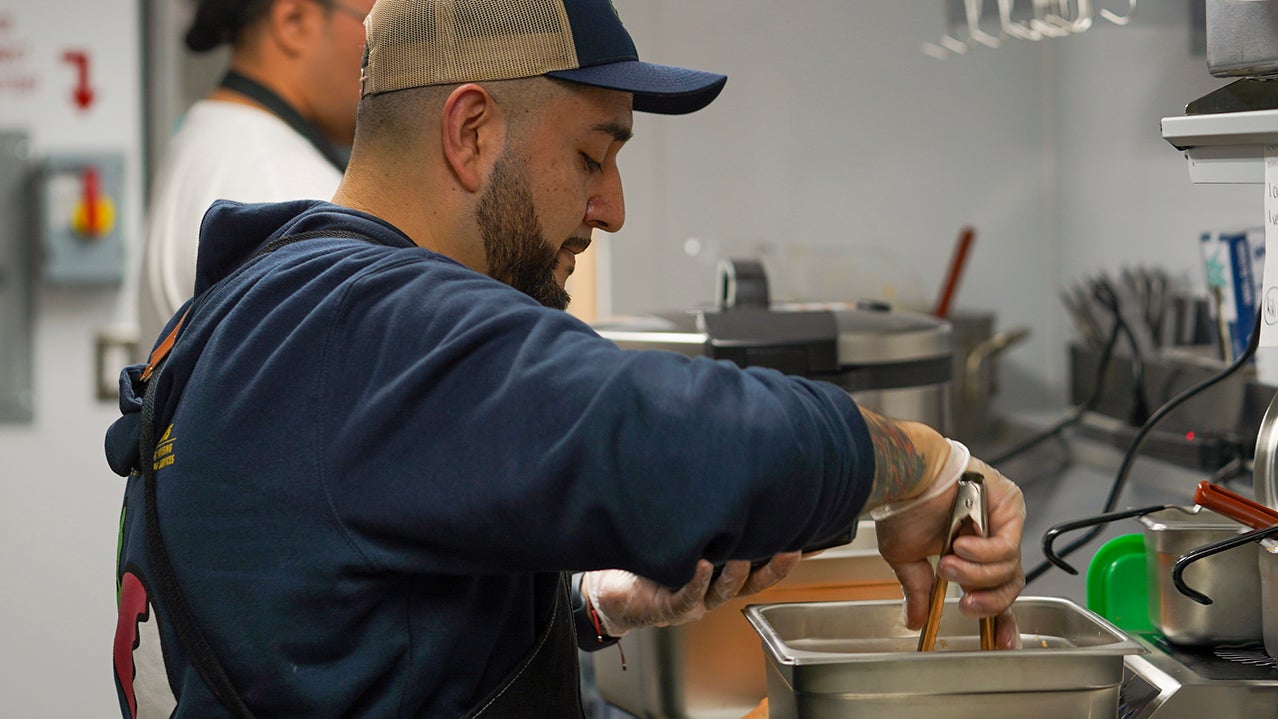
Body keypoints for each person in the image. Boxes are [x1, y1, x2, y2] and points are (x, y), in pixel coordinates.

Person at [106, 1, 1027, 717]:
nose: (612, 206)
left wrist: (596, 605)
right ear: (471, 133)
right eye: (593, 155)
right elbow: (686, 437)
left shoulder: (268, 300)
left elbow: (340, 610)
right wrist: (922, 465)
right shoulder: (375, 321)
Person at [138, 0, 374, 348]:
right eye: (377, 25)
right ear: (294, 20)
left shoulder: (216, 139)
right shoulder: (282, 193)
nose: (396, 52)